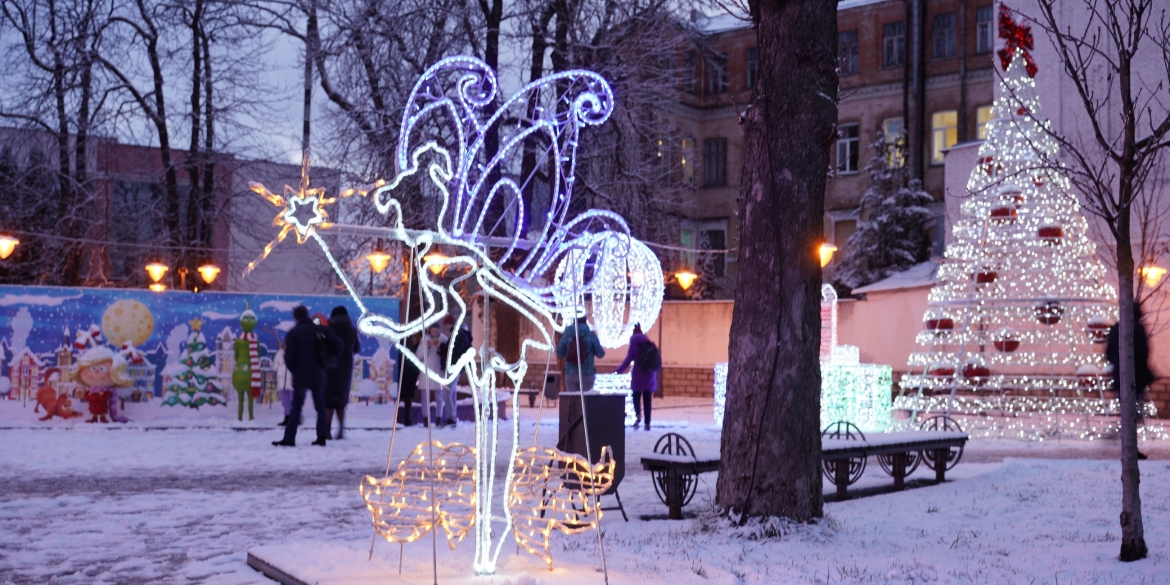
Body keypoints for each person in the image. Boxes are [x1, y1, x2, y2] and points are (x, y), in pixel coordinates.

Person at [273, 305, 341, 447]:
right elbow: (339, 344)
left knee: (296, 408)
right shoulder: (319, 329)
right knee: (320, 407)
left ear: (296, 318)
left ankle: (289, 438)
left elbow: (288, 357)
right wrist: (328, 362)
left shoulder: (293, 333)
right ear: (308, 315)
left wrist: (294, 369)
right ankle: (321, 437)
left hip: (300, 376)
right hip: (318, 374)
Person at [1105, 302, 1155, 459]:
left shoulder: (1115, 329)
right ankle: (1130, 447)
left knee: (1128, 412)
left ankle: (1127, 445)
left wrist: (1118, 364)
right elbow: (1143, 352)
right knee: (1132, 414)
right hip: (1135, 378)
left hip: (1120, 377)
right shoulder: (1138, 329)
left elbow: (1108, 354)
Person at [324, 306, 361, 440]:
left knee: (328, 402)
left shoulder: (328, 330)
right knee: (340, 401)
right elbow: (357, 348)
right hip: (345, 369)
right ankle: (341, 430)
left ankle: (327, 431)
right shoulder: (352, 331)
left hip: (330, 368)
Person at [616, 323, 661, 431]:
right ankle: (647, 423)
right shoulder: (650, 344)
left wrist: (619, 370)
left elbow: (628, 360)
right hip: (650, 376)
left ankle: (638, 416)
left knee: (636, 397)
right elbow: (657, 360)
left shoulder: (634, 345)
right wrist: (655, 372)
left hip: (638, 376)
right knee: (647, 400)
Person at [438, 315, 473, 428]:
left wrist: (441, 347)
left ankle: (452, 419)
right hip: (454, 366)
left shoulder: (459, 333)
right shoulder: (460, 332)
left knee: (446, 393)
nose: (446, 327)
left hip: (454, 367)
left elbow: (454, 349)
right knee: (451, 393)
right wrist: (441, 349)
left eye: (446, 324)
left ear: (449, 323)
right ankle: (452, 417)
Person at [556, 315, 605, 393]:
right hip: (587, 373)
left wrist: (570, 351)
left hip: (570, 373)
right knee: (586, 401)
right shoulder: (590, 334)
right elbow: (600, 354)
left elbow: (559, 352)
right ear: (585, 321)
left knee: (573, 402)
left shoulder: (567, 334)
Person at [413, 324, 444, 426]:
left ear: (440, 331)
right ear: (430, 331)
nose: (434, 333)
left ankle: (439, 418)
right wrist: (428, 347)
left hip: (438, 372)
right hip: (426, 372)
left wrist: (439, 348)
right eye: (433, 331)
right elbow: (419, 356)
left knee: (439, 397)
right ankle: (426, 419)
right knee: (425, 397)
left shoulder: (444, 339)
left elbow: (446, 355)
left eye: (436, 331)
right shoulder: (424, 340)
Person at [396, 334, 422, 426]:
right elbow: (415, 367)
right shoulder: (411, 351)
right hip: (409, 381)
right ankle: (407, 420)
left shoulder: (397, 352)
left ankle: (394, 418)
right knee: (408, 401)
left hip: (400, 379)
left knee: (397, 400)